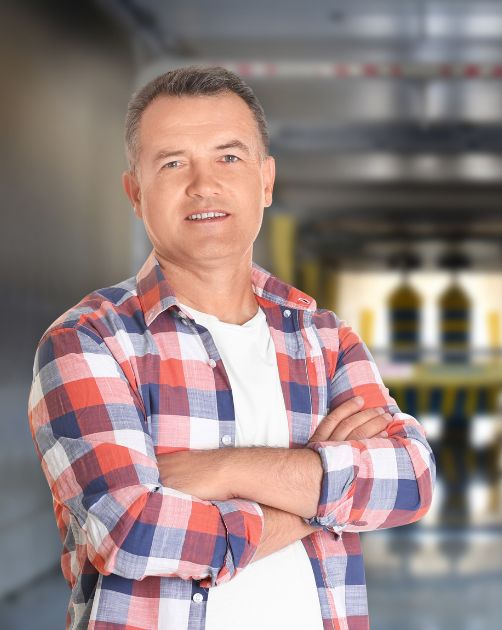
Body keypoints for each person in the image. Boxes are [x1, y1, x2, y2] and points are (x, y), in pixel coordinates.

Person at [27, 65, 436, 630]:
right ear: (135, 192)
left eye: (229, 157)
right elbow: (132, 532)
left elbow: (410, 479)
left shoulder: (324, 338)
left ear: (266, 182)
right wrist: (324, 502)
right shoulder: (87, 343)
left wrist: (219, 468)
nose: (203, 185)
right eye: (173, 163)